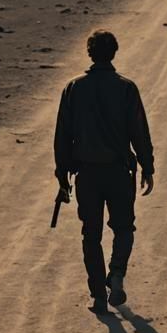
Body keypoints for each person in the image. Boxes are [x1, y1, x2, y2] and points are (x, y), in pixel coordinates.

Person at [54, 30, 154, 313]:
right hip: (119, 172)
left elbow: (62, 137)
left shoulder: (74, 88)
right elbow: (139, 132)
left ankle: (98, 295)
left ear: (90, 52)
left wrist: (62, 176)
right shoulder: (126, 88)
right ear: (114, 52)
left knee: (91, 235)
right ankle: (117, 273)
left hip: (87, 174)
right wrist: (147, 166)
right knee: (124, 228)